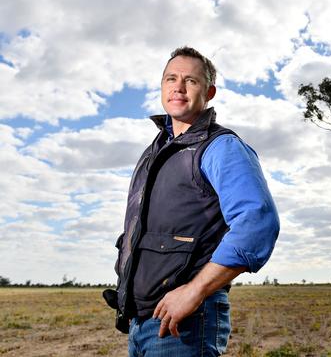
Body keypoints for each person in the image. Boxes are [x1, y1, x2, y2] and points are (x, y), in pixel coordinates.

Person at [109, 46, 280, 356]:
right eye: (171, 78)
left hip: (185, 324)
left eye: (191, 80)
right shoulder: (152, 154)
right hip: (142, 323)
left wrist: (195, 290)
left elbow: (257, 224)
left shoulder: (221, 147)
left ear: (209, 92)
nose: (178, 86)